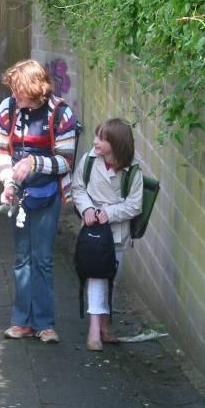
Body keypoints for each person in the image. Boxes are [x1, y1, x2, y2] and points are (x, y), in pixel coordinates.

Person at [0, 59, 76, 344]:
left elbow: (66, 161)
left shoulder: (61, 114)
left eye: (19, 90)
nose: (14, 95)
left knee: (42, 259)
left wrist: (33, 163)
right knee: (22, 258)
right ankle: (21, 322)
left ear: (34, 88)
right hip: (20, 194)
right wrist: (9, 183)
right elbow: (3, 151)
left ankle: (45, 324)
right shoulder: (7, 109)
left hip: (48, 194)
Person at [72, 119, 143, 351]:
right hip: (93, 231)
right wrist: (87, 209)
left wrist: (109, 212)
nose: (95, 142)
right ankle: (94, 329)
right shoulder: (89, 160)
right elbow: (78, 188)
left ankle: (104, 324)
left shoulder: (133, 170)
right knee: (96, 276)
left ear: (116, 143)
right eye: (96, 136)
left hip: (117, 234)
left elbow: (135, 205)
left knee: (112, 278)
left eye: (101, 138)